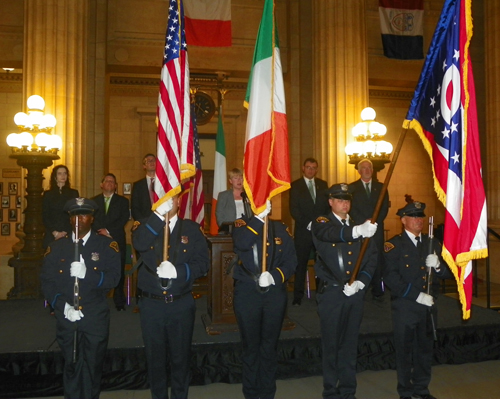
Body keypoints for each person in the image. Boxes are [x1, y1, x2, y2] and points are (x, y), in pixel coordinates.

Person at [41, 198, 121, 399]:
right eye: (74, 215)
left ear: (92, 218)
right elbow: (47, 282)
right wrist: (61, 304)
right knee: (71, 367)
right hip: (67, 318)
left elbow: (114, 278)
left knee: (93, 368)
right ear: (69, 219)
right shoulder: (57, 247)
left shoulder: (106, 245)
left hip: (95, 316)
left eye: (84, 214)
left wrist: (89, 275)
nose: (79, 219)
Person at [132, 194, 209, 399]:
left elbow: (203, 263)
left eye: (172, 199)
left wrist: (179, 271)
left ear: (179, 202)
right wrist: (157, 215)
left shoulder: (191, 229)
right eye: (163, 199)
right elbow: (139, 243)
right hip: (151, 304)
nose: (169, 203)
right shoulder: (146, 226)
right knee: (155, 359)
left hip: (180, 304)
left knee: (180, 359)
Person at [312, 183, 378, 399]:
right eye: (339, 200)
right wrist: (357, 231)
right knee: (331, 345)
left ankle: (348, 391)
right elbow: (330, 234)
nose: (344, 204)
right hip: (331, 294)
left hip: (354, 294)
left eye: (347, 200)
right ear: (330, 202)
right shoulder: (321, 222)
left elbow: (371, 259)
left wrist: (361, 282)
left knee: (349, 346)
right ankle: (330, 392)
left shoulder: (361, 226)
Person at [383, 200, 451, 399]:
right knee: (404, 351)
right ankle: (405, 391)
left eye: (420, 216)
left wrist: (438, 266)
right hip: (405, 306)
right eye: (413, 216)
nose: (418, 220)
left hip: (428, 307)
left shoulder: (432, 243)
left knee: (424, 350)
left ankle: (421, 389)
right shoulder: (393, 246)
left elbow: (447, 274)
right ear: (403, 220)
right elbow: (391, 278)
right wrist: (417, 295)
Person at [232, 200, 297, 399]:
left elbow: (291, 261)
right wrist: (259, 219)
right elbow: (242, 243)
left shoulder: (280, 228)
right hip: (247, 292)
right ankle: (251, 393)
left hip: (274, 293)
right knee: (251, 347)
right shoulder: (242, 225)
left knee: (269, 346)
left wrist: (275, 276)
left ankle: (268, 393)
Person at [289, 157, 329, 306]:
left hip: (320, 232)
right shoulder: (295, 186)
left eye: (313, 168)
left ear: (316, 170)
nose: (311, 170)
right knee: (301, 264)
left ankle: (321, 294)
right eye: (308, 167)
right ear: (303, 168)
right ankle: (298, 296)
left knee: (322, 263)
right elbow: (294, 209)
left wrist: (320, 224)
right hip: (303, 231)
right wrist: (309, 223)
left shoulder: (323, 185)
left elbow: (327, 208)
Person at [348, 158, 389, 301]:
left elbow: (384, 208)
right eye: (363, 168)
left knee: (376, 259)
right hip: (359, 229)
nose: (366, 170)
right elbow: (350, 209)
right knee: (360, 258)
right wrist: (363, 224)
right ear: (359, 171)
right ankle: (360, 290)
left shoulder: (382, 187)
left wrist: (374, 223)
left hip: (376, 229)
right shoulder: (351, 188)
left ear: (372, 170)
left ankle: (377, 291)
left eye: (369, 168)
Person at [92, 173, 130, 311]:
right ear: (101, 184)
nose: (109, 183)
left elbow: (123, 219)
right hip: (98, 240)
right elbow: (91, 219)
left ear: (115, 186)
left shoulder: (123, 201)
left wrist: (108, 231)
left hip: (116, 239)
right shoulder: (93, 201)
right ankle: (97, 298)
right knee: (98, 268)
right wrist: (100, 231)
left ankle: (119, 301)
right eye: (107, 181)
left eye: (112, 181)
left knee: (118, 269)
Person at [42, 165, 79, 249]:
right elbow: (45, 215)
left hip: (68, 232)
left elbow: (75, 214)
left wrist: (65, 232)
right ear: (55, 177)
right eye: (59, 174)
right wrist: (55, 233)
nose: (63, 176)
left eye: (65, 173)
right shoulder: (48, 194)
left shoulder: (73, 193)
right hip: (52, 233)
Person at [131, 153, 156, 222]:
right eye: (148, 161)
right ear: (144, 166)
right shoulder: (138, 185)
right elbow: (135, 207)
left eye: (153, 160)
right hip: (144, 222)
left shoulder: (163, 183)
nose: (152, 162)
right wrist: (142, 222)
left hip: (162, 221)